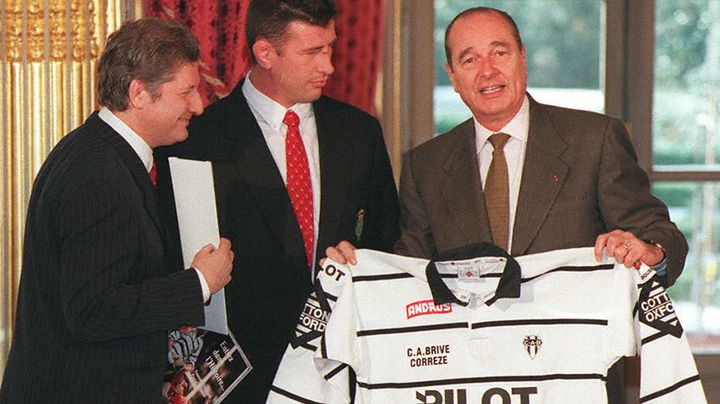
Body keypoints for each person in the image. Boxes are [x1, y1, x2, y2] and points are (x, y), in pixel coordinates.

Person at [327, 7, 688, 404]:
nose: (487, 71)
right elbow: (411, 273)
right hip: (468, 387)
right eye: (469, 59)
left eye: (499, 53)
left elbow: (660, 234)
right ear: (452, 75)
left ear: (522, 57)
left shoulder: (595, 139)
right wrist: (359, 272)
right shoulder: (425, 165)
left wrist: (649, 252)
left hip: (574, 384)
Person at [155, 0, 399, 402]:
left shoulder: (360, 133)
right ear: (265, 52)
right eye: (312, 52)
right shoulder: (198, 141)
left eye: (330, 48)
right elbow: (175, 265)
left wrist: (360, 259)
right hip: (242, 379)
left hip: (343, 372)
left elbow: (388, 239)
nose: (330, 66)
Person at [0, 18, 234, 403]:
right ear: (139, 93)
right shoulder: (99, 174)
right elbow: (92, 311)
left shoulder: (99, 153)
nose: (198, 105)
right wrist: (199, 283)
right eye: (187, 91)